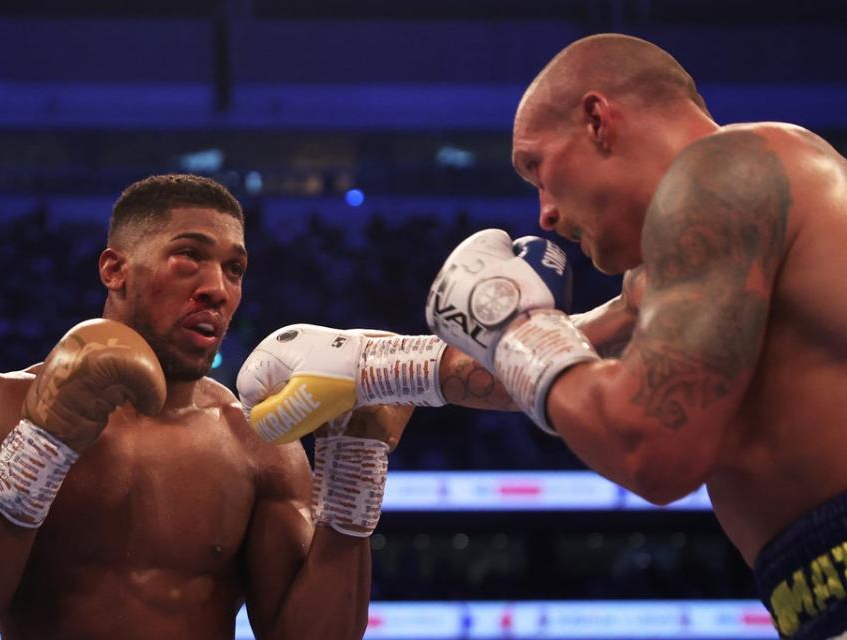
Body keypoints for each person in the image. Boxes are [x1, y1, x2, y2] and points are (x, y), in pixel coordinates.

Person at [237, 34, 847, 640]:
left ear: (597, 120)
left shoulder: (729, 169)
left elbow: (652, 443)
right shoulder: (692, 259)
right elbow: (564, 360)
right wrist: (372, 365)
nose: (544, 214)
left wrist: (514, 325)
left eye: (539, 168)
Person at [0, 174, 412, 640]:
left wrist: (354, 473)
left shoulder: (255, 441)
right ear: (115, 269)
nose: (217, 288)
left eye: (234, 269)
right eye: (189, 256)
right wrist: (40, 446)